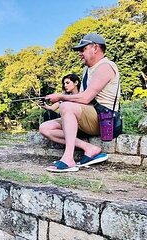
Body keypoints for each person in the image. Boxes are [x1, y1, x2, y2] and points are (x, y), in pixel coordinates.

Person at [39, 33, 120, 172]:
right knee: (45, 128)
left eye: (83, 50)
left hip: (104, 119)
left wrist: (60, 97)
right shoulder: (87, 70)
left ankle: (68, 159)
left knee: (66, 105)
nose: (80, 54)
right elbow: (81, 99)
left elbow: (85, 98)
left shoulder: (106, 66)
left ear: (95, 48)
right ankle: (89, 148)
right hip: (89, 117)